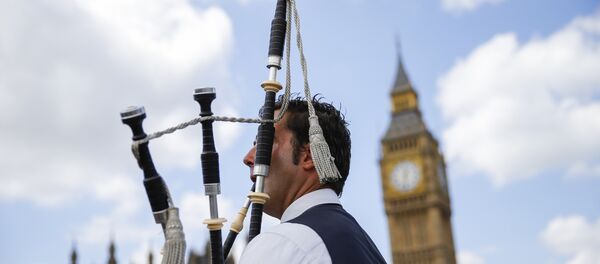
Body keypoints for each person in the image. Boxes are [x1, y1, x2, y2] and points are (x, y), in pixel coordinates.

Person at [239, 96, 386, 264]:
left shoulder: (284, 242)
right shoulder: (367, 248)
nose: (248, 158)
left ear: (308, 156)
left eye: (265, 142)